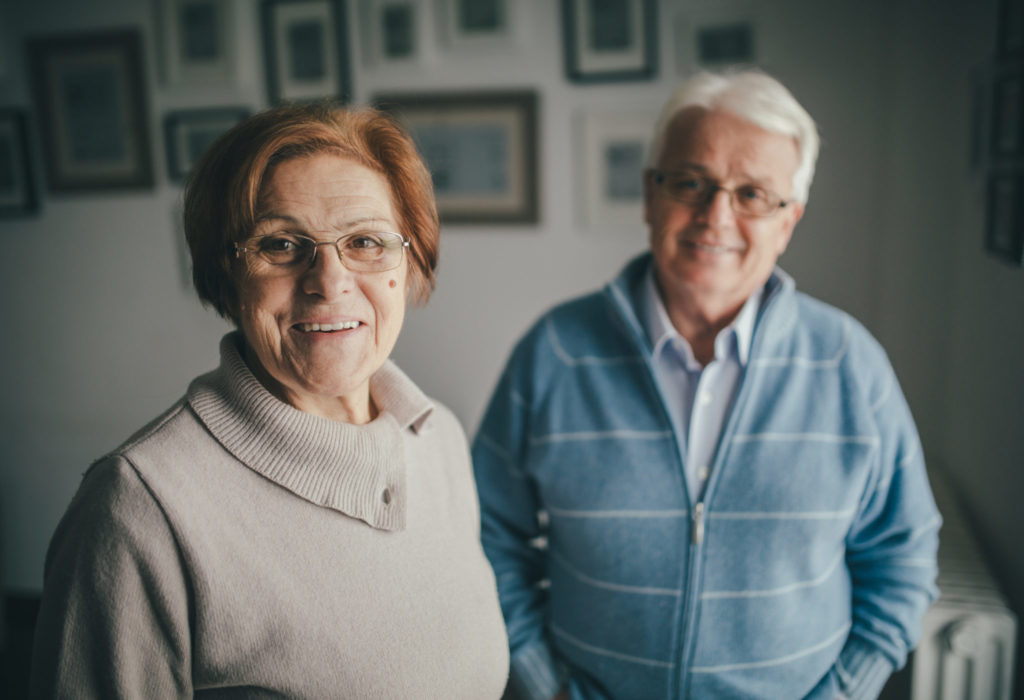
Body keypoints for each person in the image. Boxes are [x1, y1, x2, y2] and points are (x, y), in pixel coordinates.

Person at [473, 70, 940, 700]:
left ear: (788, 221)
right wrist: (541, 683)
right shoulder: (554, 352)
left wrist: (844, 694)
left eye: (752, 193)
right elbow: (485, 535)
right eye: (690, 182)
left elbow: (904, 559)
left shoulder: (850, 365)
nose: (715, 215)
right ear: (649, 195)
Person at [31, 103, 509, 698]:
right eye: (281, 244)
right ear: (226, 277)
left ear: (410, 262)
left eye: (365, 241)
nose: (329, 281)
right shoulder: (139, 510)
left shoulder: (439, 440)